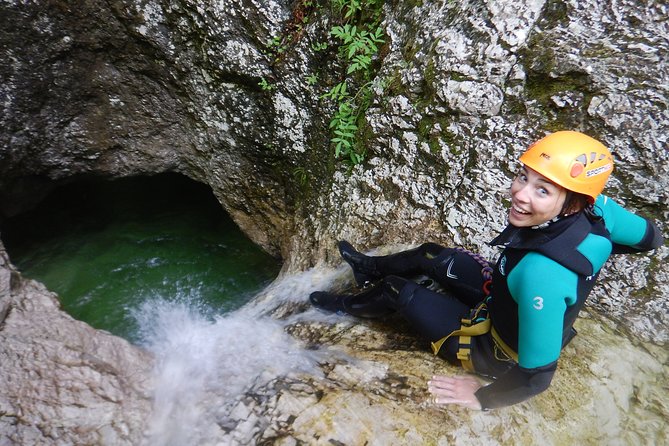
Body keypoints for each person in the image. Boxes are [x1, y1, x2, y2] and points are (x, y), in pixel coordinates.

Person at [310, 131, 664, 410]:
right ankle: (366, 267)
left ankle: (342, 308)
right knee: (432, 256)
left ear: (572, 204)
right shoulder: (600, 210)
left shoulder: (543, 275)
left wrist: (483, 397)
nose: (520, 194)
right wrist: (594, 249)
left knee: (396, 289)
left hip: (493, 350)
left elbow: (538, 376)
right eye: (523, 177)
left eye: (542, 191)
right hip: (501, 298)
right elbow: (651, 238)